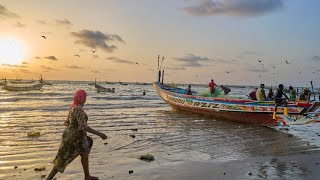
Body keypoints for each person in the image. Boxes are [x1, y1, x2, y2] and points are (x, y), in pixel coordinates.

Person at [46, 90, 107, 180]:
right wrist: (100, 134)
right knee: (63, 159)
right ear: (83, 99)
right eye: (85, 97)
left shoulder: (73, 107)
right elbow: (84, 127)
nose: (86, 99)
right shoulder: (78, 110)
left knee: (84, 152)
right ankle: (48, 179)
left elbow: (68, 122)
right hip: (74, 138)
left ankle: (87, 176)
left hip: (71, 136)